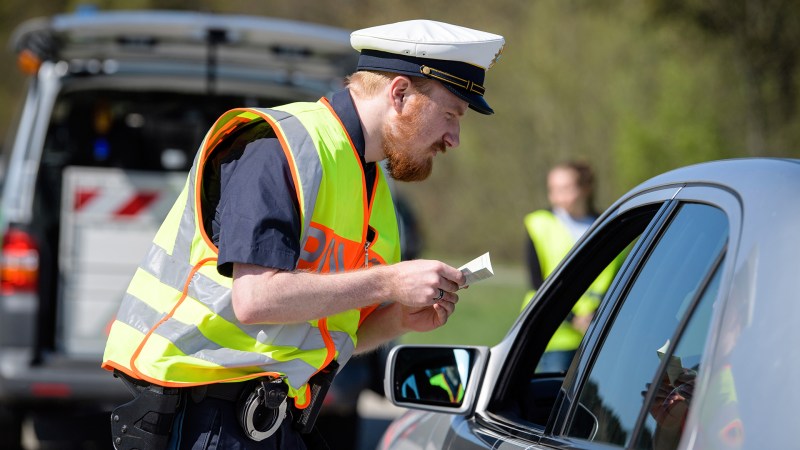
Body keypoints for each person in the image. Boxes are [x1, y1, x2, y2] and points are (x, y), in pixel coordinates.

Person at [101, 19, 505, 450]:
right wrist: (390, 282)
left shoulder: (370, 186)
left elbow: (315, 332)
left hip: (269, 422)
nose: (454, 138)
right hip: (203, 420)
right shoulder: (280, 144)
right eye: (450, 114)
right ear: (400, 94)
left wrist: (398, 319)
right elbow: (256, 299)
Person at [522, 161, 622, 372]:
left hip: (598, 331)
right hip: (554, 333)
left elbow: (619, 278)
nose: (557, 195)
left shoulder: (611, 225)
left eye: (565, 188)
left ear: (585, 188)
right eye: (553, 189)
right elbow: (536, 282)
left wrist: (596, 314)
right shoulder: (539, 224)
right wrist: (573, 318)